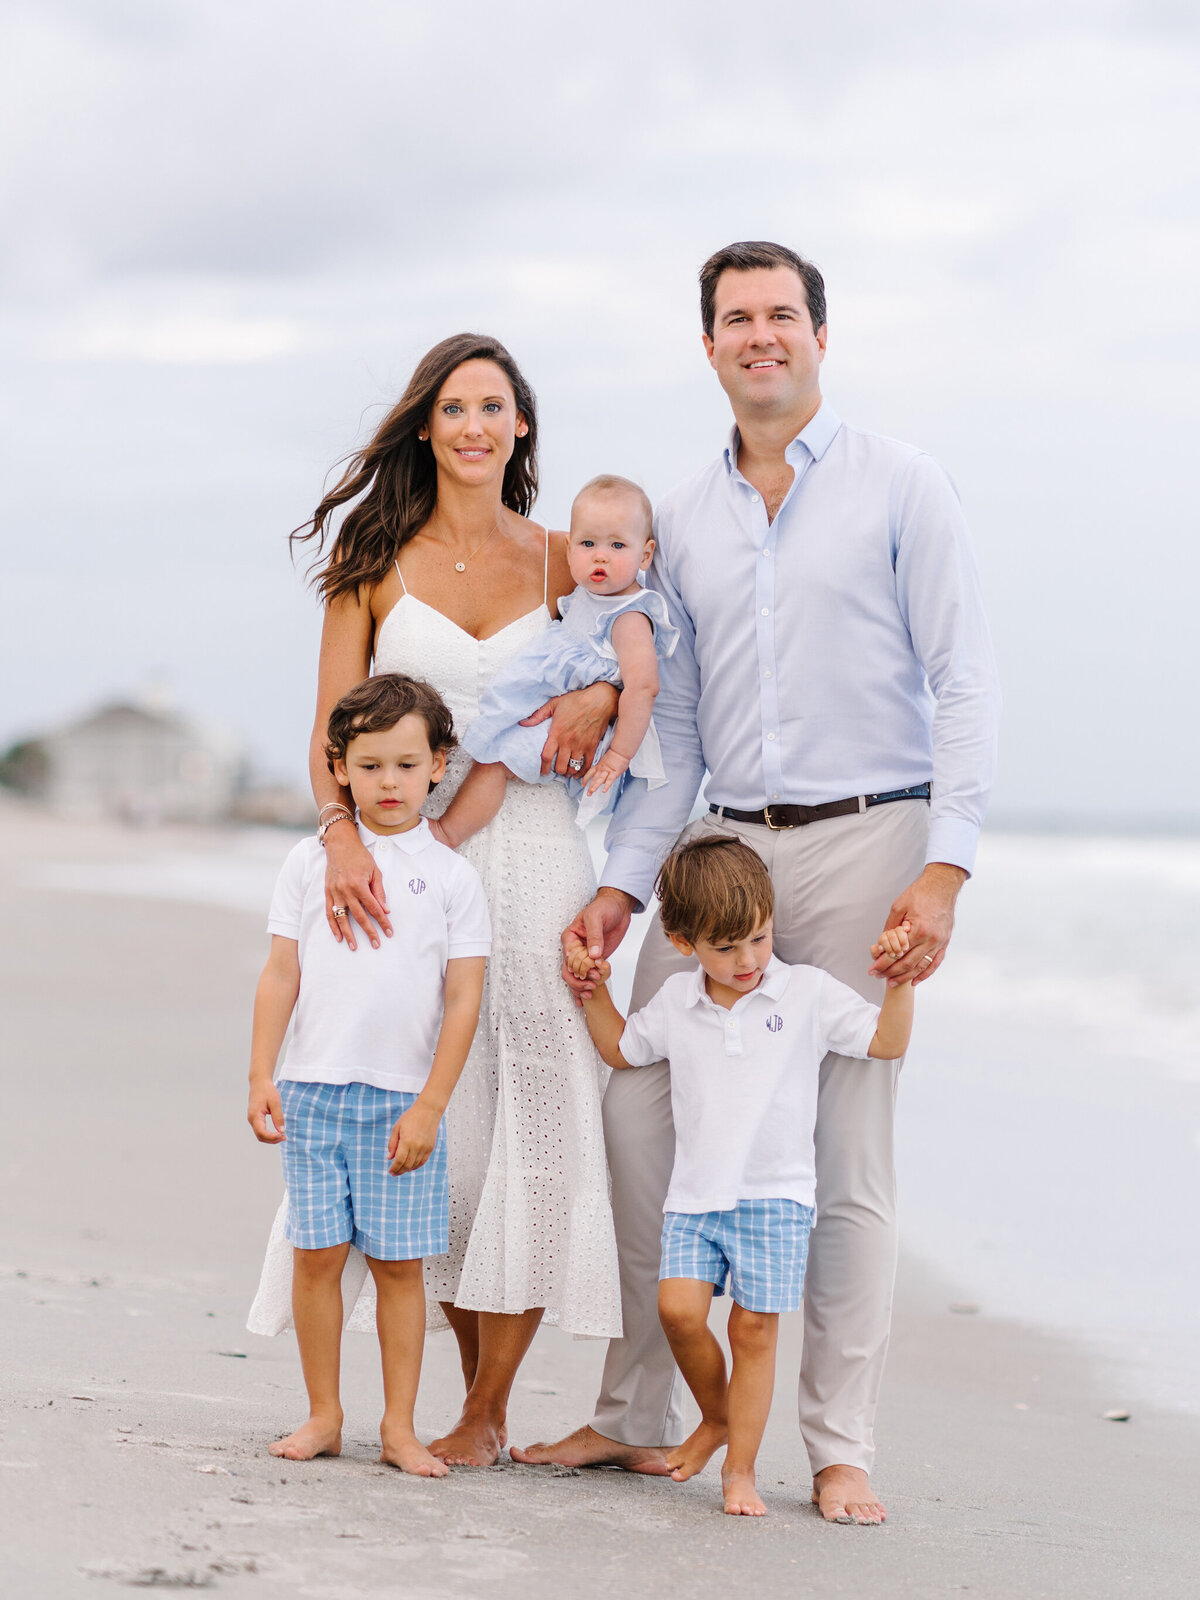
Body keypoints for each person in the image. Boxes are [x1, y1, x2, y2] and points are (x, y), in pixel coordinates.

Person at [513, 240, 1002, 1525]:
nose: (761, 334)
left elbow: (962, 684)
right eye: (738, 317)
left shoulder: (905, 486)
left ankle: (837, 1444)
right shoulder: (678, 520)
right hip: (717, 848)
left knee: (843, 1149)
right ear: (712, 345)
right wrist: (624, 887)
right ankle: (639, 1413)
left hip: (869, 842)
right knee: (640, 1117)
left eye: (782, 313)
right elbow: (671, 736)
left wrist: (944, 867)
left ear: (820, 338)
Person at [248, 333, 622, 1469]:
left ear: (520, 428)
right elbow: (330, 733)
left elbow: (644, 648)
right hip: (401, 861)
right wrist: (342, 835)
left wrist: (600, 690)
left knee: (542, 1123)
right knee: (443, 1134)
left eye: (493, 408)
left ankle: (489, 1406)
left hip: (535, 851)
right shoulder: (375, 561)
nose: (472, 425)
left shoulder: (565, 557)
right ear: (427, 425)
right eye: (454, 406)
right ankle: (422, 1390)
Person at [568, 837, 915, 1516]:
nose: (748, 960)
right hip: (695, 1198)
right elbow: (621, 1048)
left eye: (758, 938)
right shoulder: (676, 999)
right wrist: (593, 992)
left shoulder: (808, 993)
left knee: (754, 1331)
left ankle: (741, 1471)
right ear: (681, 940)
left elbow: (885, 1043)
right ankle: (718, 1416)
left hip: (776, 1199)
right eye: (726, 948)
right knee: (678, 1311)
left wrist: (900, 984)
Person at [246, 674, 490, 1475]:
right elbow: (281, 972)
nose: (390, 782)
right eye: (371, 764)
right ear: (340, 768)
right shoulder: (305, 862)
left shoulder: (453, 877)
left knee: (397, 1267)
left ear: (439, 766)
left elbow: (463, 1000)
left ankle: (399, 1428)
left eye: (406, 764)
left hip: (400, 1105)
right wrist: (261, 1075)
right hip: (313, 1089)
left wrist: (432, 1105)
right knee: (315, 1256)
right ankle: (323, 1413)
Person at [432, 473, 678, 846]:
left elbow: (644, 686)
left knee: (495, 763)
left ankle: (446, 832)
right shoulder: (589, 596)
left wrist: (618, 757)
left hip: (581, 734)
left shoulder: (629, 616)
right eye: (588, 543)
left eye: (617, 545)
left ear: (645, 554)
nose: (600, 555)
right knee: (490, 747)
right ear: (568, 550)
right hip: (552, 707)